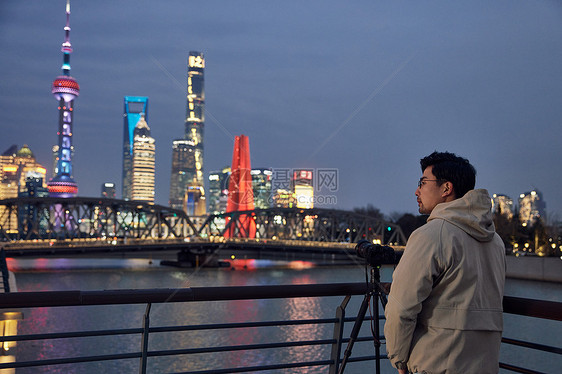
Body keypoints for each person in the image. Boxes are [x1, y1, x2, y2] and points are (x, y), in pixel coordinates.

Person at [384, 151, 506, 374]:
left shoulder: (431, 234)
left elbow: (401, 308)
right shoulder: (495, 241)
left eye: (423, 182)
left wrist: (399, 360)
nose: (417, 191)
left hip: (436, 364)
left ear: (446, 188)